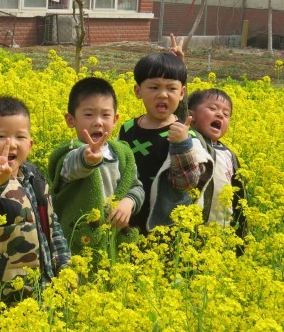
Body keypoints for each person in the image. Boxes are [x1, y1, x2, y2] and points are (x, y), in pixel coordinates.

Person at [0, 96, 70, 304]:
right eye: (1, 136)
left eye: (20, 137)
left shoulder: (34, 178)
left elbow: (52, 225)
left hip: (42, 290)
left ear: (30, 144)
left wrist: (64, 266)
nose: (10, 144)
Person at [118, 46, 213, 232]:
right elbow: (117, 170)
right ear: (138, 91)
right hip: (128, 217)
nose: (163, 94)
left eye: (171, 88)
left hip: (167, 226)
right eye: (154, 87)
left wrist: (182, 146)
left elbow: (186, 184)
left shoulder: (186, 135)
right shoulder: (127, 129)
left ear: (182, 93)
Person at [48, 77, 145, 253]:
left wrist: (128, 202)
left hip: (112, 240)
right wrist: (88, 160)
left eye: (105, 115)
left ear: (115, 119)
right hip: (77, 242)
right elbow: (72, 168)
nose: (98, 121)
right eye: (89, 114)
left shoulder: (122, 153)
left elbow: (135, 186)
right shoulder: (71, 153)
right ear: (71, 120)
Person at [188, 88, 247, 245]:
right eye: (212, 109)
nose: (220, 114)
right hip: (190, 230)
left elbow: (239, 195)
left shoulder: (229, 155)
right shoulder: (189, 143)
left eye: (226, 114)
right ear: (191, 115)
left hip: (221, 234)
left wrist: (241, 233)